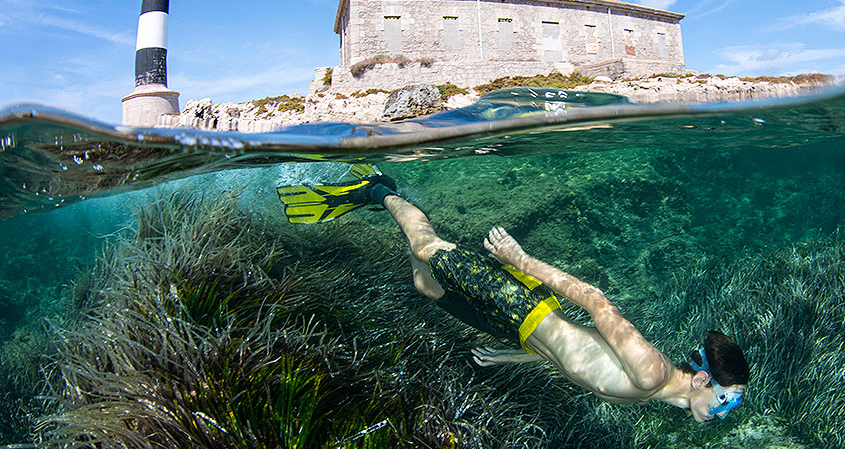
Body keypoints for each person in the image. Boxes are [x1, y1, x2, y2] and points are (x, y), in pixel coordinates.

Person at [277, 165, 750, 420]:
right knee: (425, 249)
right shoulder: (650, 373)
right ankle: (380, 191)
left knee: (424, 284)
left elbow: (576, 357)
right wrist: (521, 261)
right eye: (730, 401)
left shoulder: (647, 395)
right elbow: (595, 300)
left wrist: (516, 356)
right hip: (518, 301)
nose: (726, 414)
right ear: (704, 381)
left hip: (518, 329)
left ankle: (396, 204)